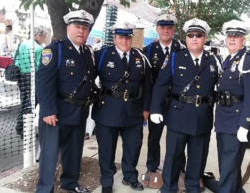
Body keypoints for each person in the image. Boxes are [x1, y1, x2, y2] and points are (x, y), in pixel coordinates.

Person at [150, 18, 219, 193]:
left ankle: (193, 188)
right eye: (191, 35)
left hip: (203, 117)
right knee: (173, 156)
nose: (194, 38)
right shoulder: (174, 58)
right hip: (178, 115)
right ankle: (168, 189)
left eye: (198, 35)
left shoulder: (214, 61)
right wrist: (156, 109)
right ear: (186, 38)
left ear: (204, 38)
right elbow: (161, 84)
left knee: (198, 158)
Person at [35, 10, 97, 193]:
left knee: (73, 153)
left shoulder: (87, 52)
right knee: (49, 155)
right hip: (56, 113)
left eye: (85, 28)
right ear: (68, 28)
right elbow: (43, 82)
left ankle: (70, 183)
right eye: (77, 27)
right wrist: (47, 110)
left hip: (78, 112)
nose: (81, 31)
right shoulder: (55, 50)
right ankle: (45, 189)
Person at [92, 21, 152, 193]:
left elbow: (148, 86)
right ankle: (106, 181)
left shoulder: (141, 57)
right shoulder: (101, 55)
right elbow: (88, 78)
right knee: (106, 149)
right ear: (114, 38)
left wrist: (146, 109)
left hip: (133, 110)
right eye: (121, 37)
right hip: (107, 109)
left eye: (127, 37)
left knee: (133, 147)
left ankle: (130, 176)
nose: (124, 41)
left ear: (131, 38)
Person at [215, 20, 250, 193]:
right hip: (223, 119)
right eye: (230, 36)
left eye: (237, 36)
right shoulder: (229, 59)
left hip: (236, 121)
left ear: (243, 40)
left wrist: (245, 124)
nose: (232, 39)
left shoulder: (249, 61)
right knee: (228, 164)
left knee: (228, 167)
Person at [143, 13, 185, 174]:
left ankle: (179, 168)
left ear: (174, 29)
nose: (165, 30)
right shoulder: (148, 51)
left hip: (177, 101)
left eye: (169, 27)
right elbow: (145, 81)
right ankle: (152, 167)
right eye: (162, 27)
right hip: (156, 102)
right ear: (157, 29)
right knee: (154, 137)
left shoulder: (182, 49)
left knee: (179, 137)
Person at [14, 25, 47, 138]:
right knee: (31, 104)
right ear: (39, 36)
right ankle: (25, 130)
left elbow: (16, 60)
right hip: (33, 77)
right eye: (44, 37)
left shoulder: (22, 44)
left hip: (22, 76)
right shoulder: (39, 49)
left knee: (24, 102)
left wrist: (18, 77)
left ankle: (20, 127)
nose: (44, 39)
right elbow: (40, 67)